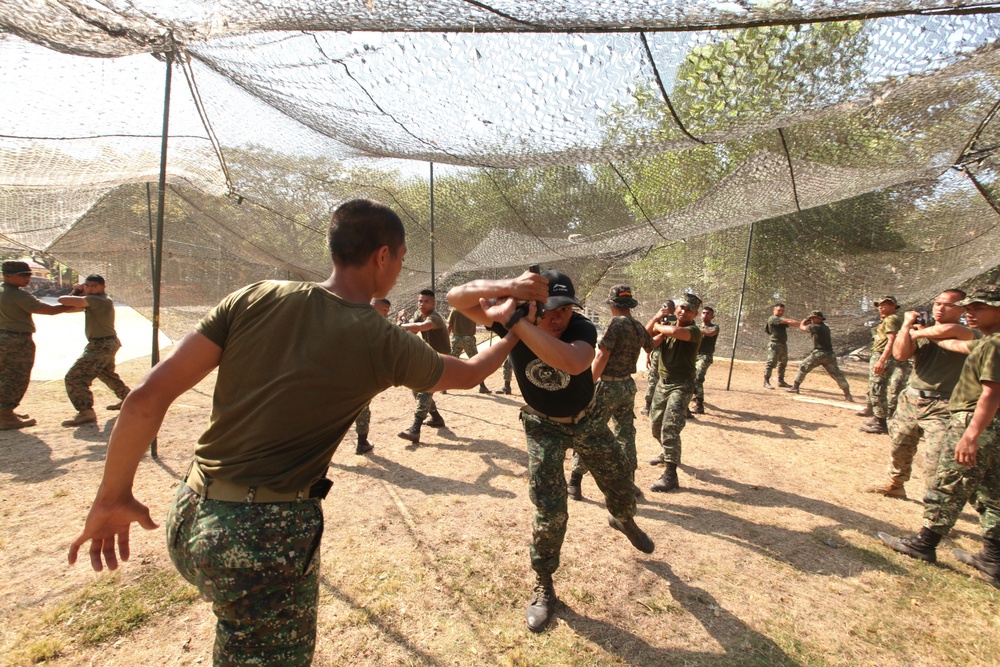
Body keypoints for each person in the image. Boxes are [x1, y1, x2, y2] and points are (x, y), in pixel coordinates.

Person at [68, 199, 542, 666]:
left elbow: (147, 396)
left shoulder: (254, 296)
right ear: (382, 256)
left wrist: (112, 495)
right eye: (400, 258)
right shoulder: (379, 339)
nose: (400, 269)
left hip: (190, 512)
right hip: (260, 534)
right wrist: (514, 331)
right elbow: (467, 372)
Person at [448, 269, 654, 633]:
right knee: (550, 508)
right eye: (550, 309)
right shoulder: (518, 322)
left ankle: (622, 518)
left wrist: (516, 323)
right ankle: (544, 584)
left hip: (587, 419)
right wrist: (509, 293)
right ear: (532, 307)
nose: (558, 318)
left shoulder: (581, 328)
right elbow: (456, 298)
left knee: (621, 481)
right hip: (543, 426)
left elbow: (574, 363)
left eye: (565, 309)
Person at [878, 286, 1000, 587]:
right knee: (990, 491)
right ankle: (993, 558)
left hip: (972, 420)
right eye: (968, 306)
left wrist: (971, 434)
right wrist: (916, 330)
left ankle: (924, 544)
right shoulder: (986, 341)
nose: (971, 312)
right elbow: (953, 347)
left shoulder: (993, 342)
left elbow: (991, 391)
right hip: (976, 421)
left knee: (949, 482)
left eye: (978, 308)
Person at [865, 290, 976, 499]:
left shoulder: (968, 332)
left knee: (936, 457)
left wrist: (916, 332)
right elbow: (900, 354)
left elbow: (952, 330)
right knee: (899, 446)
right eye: (937, 303)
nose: (940, 308)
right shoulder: (924, 332)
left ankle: (934, 503)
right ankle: (895, 484)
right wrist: (906, 327)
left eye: (947, 305)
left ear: (963, 309)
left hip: (943, 404)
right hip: (912, 398)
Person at [567, 285, 653, 501]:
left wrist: (588, 383)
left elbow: (601, 356)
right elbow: (651, 345)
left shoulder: (616, 323)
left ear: (613, 304)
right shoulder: (636, 325)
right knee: (626, 434)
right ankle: (629, 483)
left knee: (589, 430)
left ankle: (575, 481)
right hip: (627, 387)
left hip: (608, 386)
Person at [0, 260, 75, 430]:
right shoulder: (18, 295)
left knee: (3, 375)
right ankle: (5, 414)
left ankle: (4, 411)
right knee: (16, 376)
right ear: (7, 276)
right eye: (23, 275)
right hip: (16, 340)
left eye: (28, 274)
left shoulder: (4, 291)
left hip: (3, 336)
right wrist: (73, 303)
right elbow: (48, 310)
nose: (28, 278)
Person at [645, 294, 703, 493]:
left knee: (670, 427)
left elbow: (675, 331)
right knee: (655, 425)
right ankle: (666, 453)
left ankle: (670, 475)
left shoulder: (693, 330)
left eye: (689, 310)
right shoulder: (667, 325)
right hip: (663, 383)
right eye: (681, 308)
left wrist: (660, 326)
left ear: (695, 314)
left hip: (682, 385)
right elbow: (646, 339)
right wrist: (657, 317)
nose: (683, 311)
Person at [57, 275, 132, 427]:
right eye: (88, 286)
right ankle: (128, 398)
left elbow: (62, 300)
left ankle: (85, 412)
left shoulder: (99, 300)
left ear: (103, 287)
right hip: (105, 343)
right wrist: (78, 293)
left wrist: (78, 292)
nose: (90, 289)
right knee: (106, 374)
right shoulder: (93, 300)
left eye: (94, 286)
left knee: (74, 377)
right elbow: (68, 309)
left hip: (101, 344)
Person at [397, 289, 453, 444]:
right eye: (420, 301)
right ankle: (436, 418)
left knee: (425, 390)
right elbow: (411, 331)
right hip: (430, 358)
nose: (422, 304)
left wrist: (403, 326)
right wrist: (401, 320)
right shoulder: (419, 314)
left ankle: (415, 429)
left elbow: (423, 326)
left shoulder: (435, 317)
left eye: (426, 301)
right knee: (416, 390)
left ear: (433, 303)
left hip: (443, 359)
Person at [352, 297, 393, 455]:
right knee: (362, 408)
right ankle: (362, 443)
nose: (385, 314)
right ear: (373, 306)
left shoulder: (355, 317)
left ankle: (362, 443)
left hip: (349, 373)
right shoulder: (369, 323)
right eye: (384, 310)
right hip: (357, 374)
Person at [785, 311, 853, 402]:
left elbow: (802, 328)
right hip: (829, 354)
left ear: (820, 319)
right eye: (811, 318)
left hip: (819, 353)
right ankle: (848, 395)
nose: (812, 319)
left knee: (803, 366)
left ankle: (795, 387)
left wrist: (804, 321)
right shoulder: (826, 327)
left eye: (814, 318)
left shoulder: (815, 326)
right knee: (837, 374)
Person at [859, 296, 904, 434]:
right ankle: (877, 417)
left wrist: (882, 360)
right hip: (880, 354)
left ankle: (881, 423)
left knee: (878, 388)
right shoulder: (887, 320)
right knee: (875, 387)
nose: (880, 307)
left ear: (893, 306)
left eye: (884, 305)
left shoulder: (891, 319)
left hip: (884, 356)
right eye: (879, 305)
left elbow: (892, 340)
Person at [641, 300, 675, 416]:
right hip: (657, 353)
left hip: (671, 354)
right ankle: (648, 405)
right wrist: (647, 356)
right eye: (662, 307)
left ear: (672, 309)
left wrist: (658, 324)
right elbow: (647, 336)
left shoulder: (675, 320)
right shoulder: (659, 320)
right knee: (653, 379)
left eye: (666, 307)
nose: (663, 309)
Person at [447, 306, 489, 394]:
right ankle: (482, 386)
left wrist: (446, 338)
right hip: (468, 339)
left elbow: (450, 325)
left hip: (456, 339)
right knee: (477, 363)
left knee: (450, 363)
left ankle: (444, 387)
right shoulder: (472, 310)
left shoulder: (455, 310)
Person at [691, 306, 719, 415]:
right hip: (693, 355)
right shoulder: (696, 326)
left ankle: (699, 405)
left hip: (705, 356)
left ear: (712, 316)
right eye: (703, 313)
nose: (705, 315)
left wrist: (695, 330)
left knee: (698, 378)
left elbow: (710, 333)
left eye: (708, 313)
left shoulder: (714, 327)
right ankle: (694, 394)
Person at [764, 303, 799, 389]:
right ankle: (766, 381)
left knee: (783, 363)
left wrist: (802, 325)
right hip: (775, 344)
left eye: (782, 311)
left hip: (783, 344)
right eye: (779, 310)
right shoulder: (773, 318)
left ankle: (781, 381)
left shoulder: (780, 319)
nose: (781, 312)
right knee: (771, 363)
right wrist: (802, 323)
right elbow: (787, 321)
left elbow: (791, 323)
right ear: (774, 309)